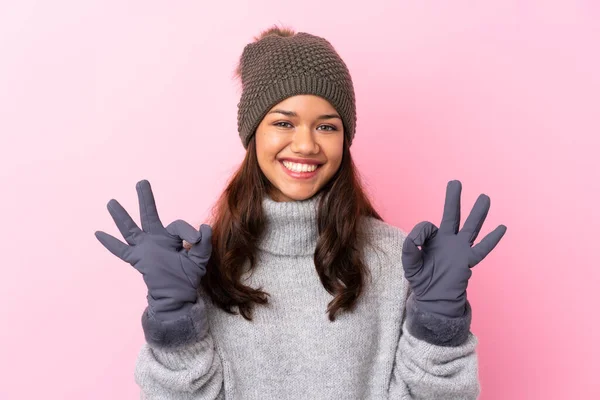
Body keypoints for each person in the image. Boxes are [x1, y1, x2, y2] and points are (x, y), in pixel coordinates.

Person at [95, 25, 507, 399]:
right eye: (284, 123)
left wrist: (437, 323)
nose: (307, 145)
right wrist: (173, 320)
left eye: (327, 126)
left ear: (344, 139)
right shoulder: (201, 265)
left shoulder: (397, 259)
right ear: (253, 133)